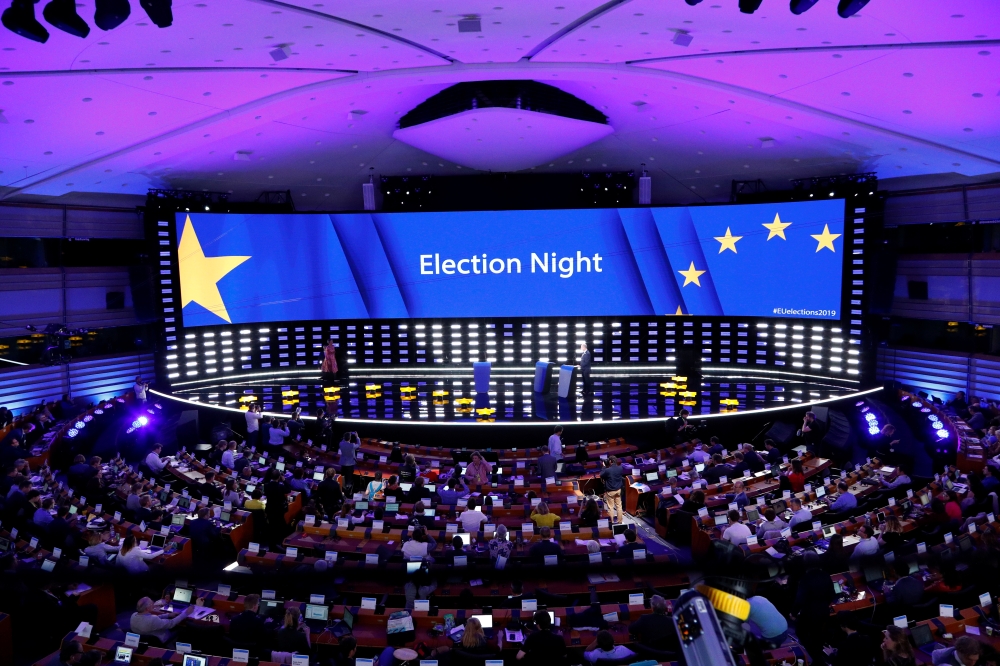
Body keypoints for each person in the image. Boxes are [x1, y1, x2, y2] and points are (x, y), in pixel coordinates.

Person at [792, 552, 836, 664]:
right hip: (824, 611)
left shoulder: (805, 579)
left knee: (800, 632)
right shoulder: (825, 575)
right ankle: (818, 656)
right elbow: (832, 594)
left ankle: (814, 657)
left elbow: (800, 599)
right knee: (818, 635)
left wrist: (793, 613)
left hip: (809, 613)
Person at [130, 596, 196, 643]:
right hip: (161, 639)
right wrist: (186, 613)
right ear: (147, 608)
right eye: (151, 603)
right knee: (182, 629)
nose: (153, 603)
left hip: (145, 639)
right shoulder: (152, 620)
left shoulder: (133, 615)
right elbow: (171, 623)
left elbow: (153, 619)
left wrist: (168, 615)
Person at [600, 455, 625, 524]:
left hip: (610, 491)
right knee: (619, 507)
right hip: (618, 490)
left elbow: (601, 475)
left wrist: (604, 466)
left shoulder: (608, 470)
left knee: (610, 507)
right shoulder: (620, 468)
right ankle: (620, 521)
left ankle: (612, 521)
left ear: (610, 461)